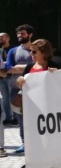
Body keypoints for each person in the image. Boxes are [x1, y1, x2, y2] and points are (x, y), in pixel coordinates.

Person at [16, 39, 58, 168]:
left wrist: (57, 75)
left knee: (46, 139)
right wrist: (20, 81)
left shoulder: (53, 66)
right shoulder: (29, 67)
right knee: (31, 139)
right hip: (31, 109)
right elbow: (23, 86)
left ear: (44, 53)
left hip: (48, 109)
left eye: (34, 51)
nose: (31, 54)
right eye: (30, 51)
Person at [5, 24, 34, 154]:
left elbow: (42, 64)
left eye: (22, 33)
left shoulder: (37, 49)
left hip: (35, 89)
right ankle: (24, 142)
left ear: (30, 35)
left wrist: (20, 67)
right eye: (18, 34)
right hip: (16, 90)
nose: (19, 36)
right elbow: (9, 68)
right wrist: (30, 67)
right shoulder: (13, 51)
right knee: (20, 117)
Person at [0, 32, 16, 127]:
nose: (0, 39)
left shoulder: (13, 49)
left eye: (2, 37)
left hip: (11, 77)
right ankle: (8, 118)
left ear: (8, 38)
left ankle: (15, 118)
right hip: (1, 78)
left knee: (12, 98)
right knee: (5, 99)